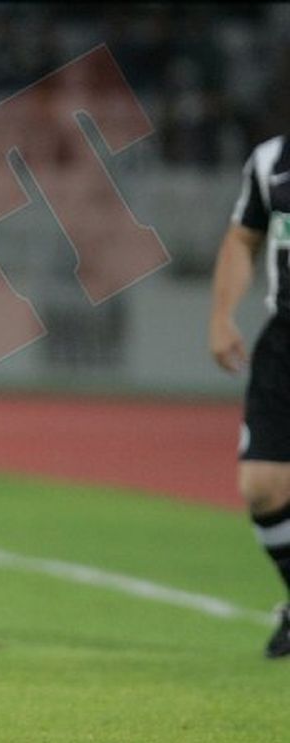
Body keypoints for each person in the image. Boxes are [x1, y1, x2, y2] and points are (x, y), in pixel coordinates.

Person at [208, 133, 290, 659]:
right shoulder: (271, 160)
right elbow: (243, 238)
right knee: (262, 485)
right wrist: (221, 316)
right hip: (286, 340)